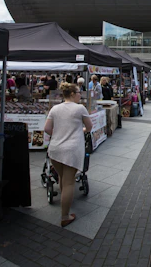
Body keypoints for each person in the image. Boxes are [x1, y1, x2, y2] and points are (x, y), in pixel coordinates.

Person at [44, 83, 93, 227]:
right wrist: (81, 131)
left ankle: (64, 208)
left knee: (62, 179)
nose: (80, 95)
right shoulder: (80, 109)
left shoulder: (55, 108)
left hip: (55, 149)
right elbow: (89, 127)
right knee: (69, 182)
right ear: (72, 94)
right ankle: (65, 216)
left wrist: (59, 134)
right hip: (71, 150)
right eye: (78, 93)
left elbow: (47, 128)